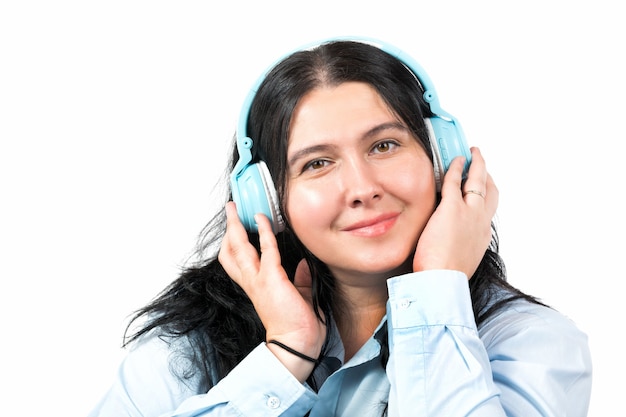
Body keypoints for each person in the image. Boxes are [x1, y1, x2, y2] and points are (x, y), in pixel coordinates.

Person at [88, 38, 592, 417]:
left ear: (443, 158)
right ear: (267, 201)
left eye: (384, 146)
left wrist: (438, 290)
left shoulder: (533, 344)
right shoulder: (186, 349)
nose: (361, 187)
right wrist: (284, 353)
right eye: (316, 164)